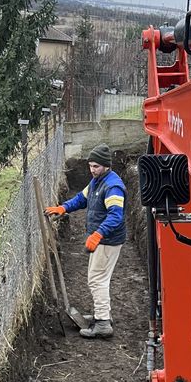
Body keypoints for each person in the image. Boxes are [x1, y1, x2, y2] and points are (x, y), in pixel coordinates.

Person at [45, 144, 126, 339]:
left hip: (107, 240)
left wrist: (98, 234)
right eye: (90, 165)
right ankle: (101, 315)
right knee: (98, 277)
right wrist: (63, 208)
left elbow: (116, 216)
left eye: (96, 166)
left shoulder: (113, 186)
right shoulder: (97, 181)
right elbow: (82, 199)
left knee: (97, 279)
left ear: (106, 166)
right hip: (102, 239)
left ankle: (103, 324)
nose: (92, 169)